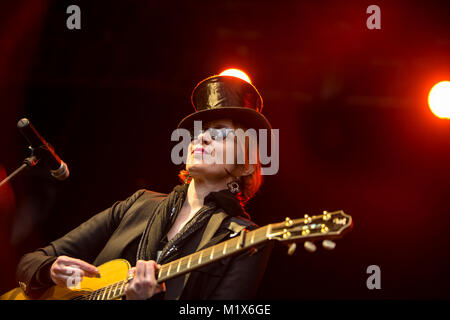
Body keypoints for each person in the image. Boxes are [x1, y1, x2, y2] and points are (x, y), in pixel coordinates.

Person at [15, 74, 274, 300]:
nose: (201, 137)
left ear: (246, 165)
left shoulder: (247, 240)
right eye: (199, 132)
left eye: (219, 133)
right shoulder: (139, 203)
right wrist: (50, 269)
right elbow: (29, 262)